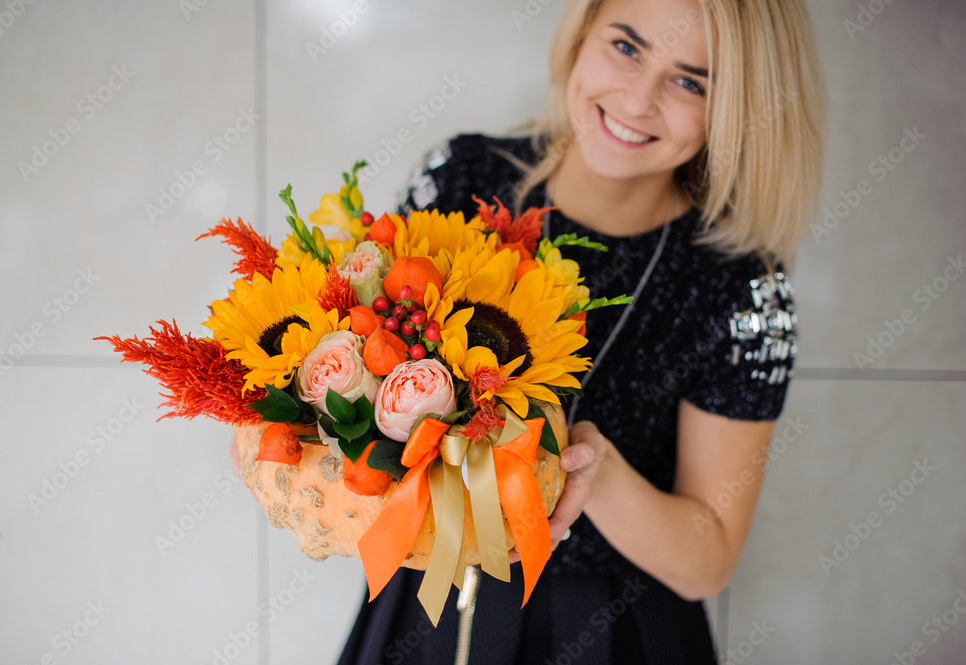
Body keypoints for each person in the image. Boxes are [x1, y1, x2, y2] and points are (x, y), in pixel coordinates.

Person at [337, 0, 826, 662]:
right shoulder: (462, 177)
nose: (637, 99)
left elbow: (708, 562)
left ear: (739, 109)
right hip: (427, 598)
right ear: (582, 33)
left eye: (690, 81)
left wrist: (598, 476)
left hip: (614, 627)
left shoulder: (739, 284)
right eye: (626, 47)